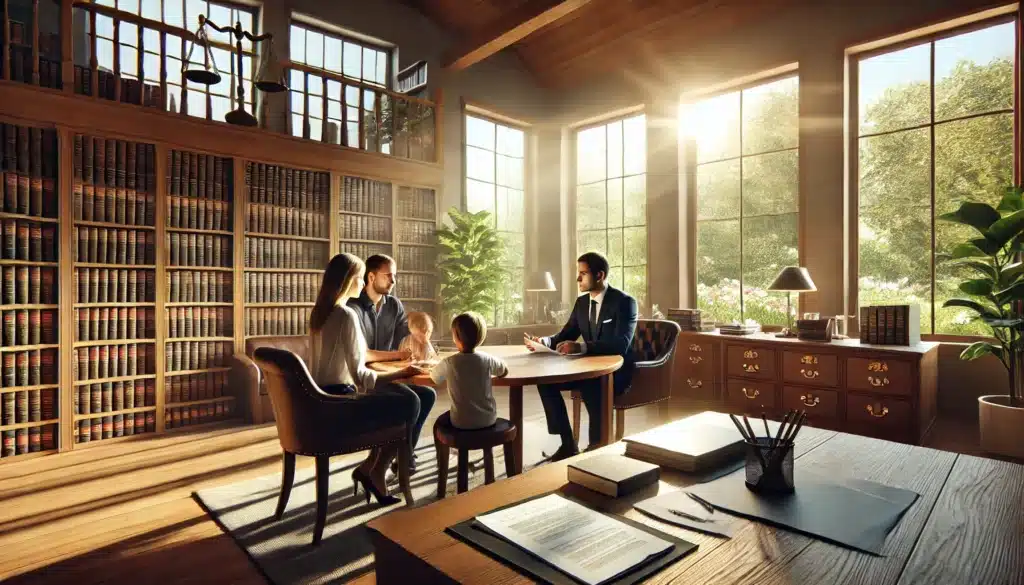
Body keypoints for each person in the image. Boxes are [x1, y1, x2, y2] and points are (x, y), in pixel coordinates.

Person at [308, 253, 423, 505]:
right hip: (342, 402)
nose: (362, 284)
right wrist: (402, 373)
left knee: (421, 395)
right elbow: (361, 377)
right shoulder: (345, 315)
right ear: (348, 280)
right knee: (410, 402)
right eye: (359, 278)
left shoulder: (321, 314)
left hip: (323, 401)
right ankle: (377, 471)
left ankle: (370, 468)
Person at [525, 251, 638, 461]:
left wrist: (581, 348)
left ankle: (597, 447)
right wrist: (544, 342)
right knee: (545, 382)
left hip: (616, 372)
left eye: (583, 273)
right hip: (587, 370)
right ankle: (568, 444)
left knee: (590, 384)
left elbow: (621, 344)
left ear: (599, 275)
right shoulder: (582, 303)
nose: (578, 278)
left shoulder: (624, 302)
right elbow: (565, 335)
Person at [348, 254, 436, 472]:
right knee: (412, 400)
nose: (393, 281)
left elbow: (405, 343)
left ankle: (403, 454)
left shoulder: (394, 305)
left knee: (428, 395)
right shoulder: (353, 308)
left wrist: (423, 340)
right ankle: (398, 458)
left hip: (390, 376)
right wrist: (398, 357)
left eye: (394, 276)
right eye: (388, 276)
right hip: (363, 379)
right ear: (371, 276)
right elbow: (362, 354)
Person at [429, 312, 509, 430]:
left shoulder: (449, 362)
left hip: (460, 422)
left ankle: (452, 447)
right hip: (488, 419)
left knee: (439, 424)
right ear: (480, 337)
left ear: (455, 337)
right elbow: (504, 371)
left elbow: (434, 378)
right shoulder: (487, 359)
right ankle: (487, 447)